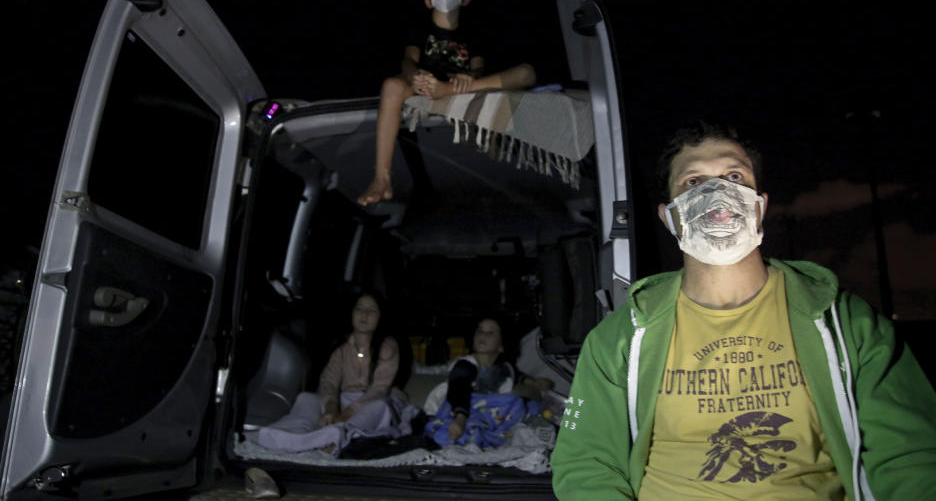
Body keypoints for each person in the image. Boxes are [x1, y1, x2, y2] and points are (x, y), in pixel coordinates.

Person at [551, 122, 936, 500]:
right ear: (670, 216)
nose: (718, 192)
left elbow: (910, 455)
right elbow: (587, 465)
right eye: (694, 182)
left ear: (760, 207)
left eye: (734, 176)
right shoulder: (621, 336)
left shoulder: (848, 324)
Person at [357, 0, 536, 206]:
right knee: (391, 85)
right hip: (424, 82)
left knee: (526, 73)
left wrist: (464, 80)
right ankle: (382, 179)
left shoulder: (474, 32)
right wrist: (414, 74)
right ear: (429, 1)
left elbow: (478, 71)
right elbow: (408, 61)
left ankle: (446, 90)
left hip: (455, 84)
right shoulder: (419, 27)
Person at [256, 293, 400, 454]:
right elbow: (329, 381)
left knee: (380, 407)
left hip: (370, 402)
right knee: (307, 398)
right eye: (359, 309)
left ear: (380, 317)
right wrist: (332, 408)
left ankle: (336, 437)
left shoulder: (388, 346)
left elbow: (380, 388)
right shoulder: (341, 348)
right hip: (343, 399)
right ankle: (292, 433)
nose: (364, 315)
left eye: (371, 311)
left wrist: (347, 413)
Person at [424, 317, 548, 447]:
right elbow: (459, 388)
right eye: (479, 331)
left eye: (490, 333)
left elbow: (515, 375)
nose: (483, 335)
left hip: (490, 418)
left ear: (502, 346)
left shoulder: (503, 369)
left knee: (533, 406)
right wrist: (460, 417)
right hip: (460, 411)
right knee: (513, 401)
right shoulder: (465, 365)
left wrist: (533, 382)